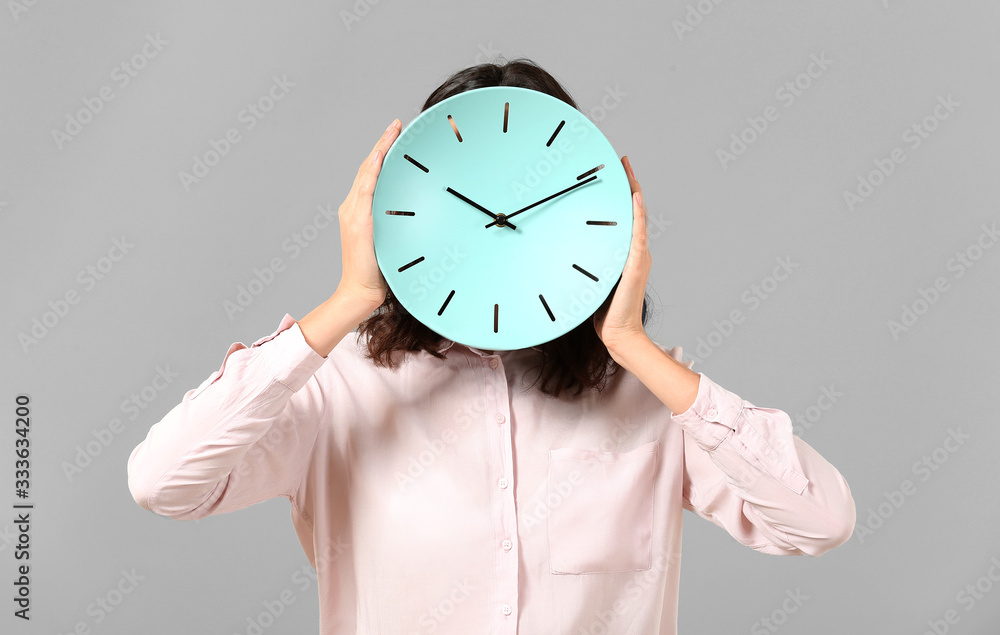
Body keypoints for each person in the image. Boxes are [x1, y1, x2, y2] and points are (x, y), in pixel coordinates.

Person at [127, 58, 856, 635]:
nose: (498, 226)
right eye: (471, 203)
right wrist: (349, 299)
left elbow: (821, 519)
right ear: (399, 209)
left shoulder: (646, 400)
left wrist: (633, 346)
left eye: (533, 203)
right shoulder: (338, 391)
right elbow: (163, 481)